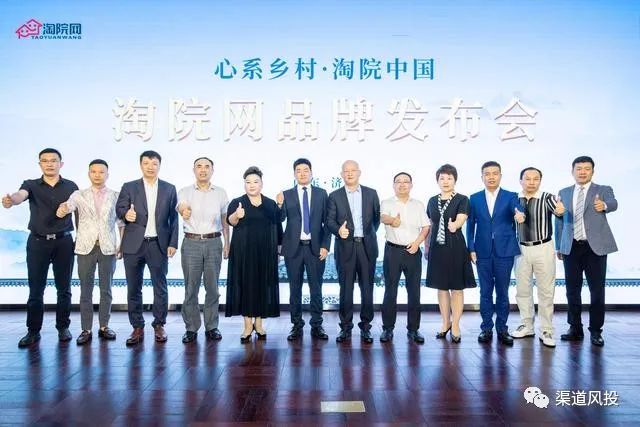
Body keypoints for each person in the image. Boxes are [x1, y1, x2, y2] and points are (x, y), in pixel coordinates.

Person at [2, 148, 78, 347]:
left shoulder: (71, 186)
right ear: (40, 164)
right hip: (37, 242)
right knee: (36, 289)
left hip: (63, 242)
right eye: (45, 161)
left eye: (53, 160)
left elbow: (79, 211)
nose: (49, 164)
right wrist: (11, 200)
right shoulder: (31, 185)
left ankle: (63, 327)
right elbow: (20, 195)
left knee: (64, 288)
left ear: (61, 164)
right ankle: (33, 331)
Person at [56, 159, 123, 345]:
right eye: (93, 171)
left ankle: (104, 326)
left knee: (106, 289)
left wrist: (122, 244)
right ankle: (86, 329)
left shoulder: (116, 196)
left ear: (107, 175)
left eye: (101, 172)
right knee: (86, 289)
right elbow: (68, 206)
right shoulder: (79, 195)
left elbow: (121, 223)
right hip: (85, 247)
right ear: (89, 174)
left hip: (108, 247)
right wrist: (63, 209)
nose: (97, 175)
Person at [116, 150, 179, 345]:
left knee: (160, 286)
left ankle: (159, 324)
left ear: (159, 165)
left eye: (154, 163)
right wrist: (126, 214)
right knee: (134, 287)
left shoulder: (169, 188)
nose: (150, 167)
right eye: (146, 163)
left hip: (158, 244)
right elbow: (120, 208)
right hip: (133, 244)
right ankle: (137, 326)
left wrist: (173, 243)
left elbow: (174, 218)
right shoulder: (129, 186)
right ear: (140, 165)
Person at [555, 156, 618, 347]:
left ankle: (596, 331)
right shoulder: (564, 192)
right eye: (579, 168)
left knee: (597, 290)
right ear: (572, 171)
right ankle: (575, 328)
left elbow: (614, 203)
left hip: (595, 248)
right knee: (572, 290)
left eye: (587, 169)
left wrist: (604, 206)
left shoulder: (603, 190)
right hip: (571, 247)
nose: (582, 172)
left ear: (592, 171)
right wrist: (559, 246)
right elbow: (559, 220)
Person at [276, 158, 331, 341]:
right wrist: (279, 205)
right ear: (294, 174)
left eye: (305, 170)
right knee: (295, 289)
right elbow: (279, 219)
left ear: (311, 173)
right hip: (293, 249)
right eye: (298, 170)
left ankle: (317, 325)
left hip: (315, 249)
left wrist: (325, 245)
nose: (302, 173)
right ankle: (296, 325)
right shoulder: (286, 194)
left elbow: (327, 223)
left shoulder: (322, 194)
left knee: (316, 288)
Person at [226, 166, 282, 343]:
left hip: (265, 252)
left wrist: (279, 250)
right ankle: (247, 325)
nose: (251, 185)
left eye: (255, 182)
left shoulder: (270, 203)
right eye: (248, 182)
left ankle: (259, 324)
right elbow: (230, 221)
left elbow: (278, 225)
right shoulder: (237, 202)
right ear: (244, 184)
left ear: (261, 184)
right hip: (243, 253)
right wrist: (237, 215)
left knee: (262, 286)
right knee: (246, 286)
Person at [467, 161, 520, 346]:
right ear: (482, 177)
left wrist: (520, 214)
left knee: (503, 292)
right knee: (485, 291)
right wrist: (471, 248)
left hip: (504, 250)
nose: (491, 177)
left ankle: (502, 328)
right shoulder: (474, 198)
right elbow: (470, 226)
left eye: (495, 173)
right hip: (482, 251)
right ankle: (486, 328)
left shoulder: (511, 196)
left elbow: (518, 210)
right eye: (487, 174)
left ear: (500, 176)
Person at [177, 157, 229, 344]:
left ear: (212, 170)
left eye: (207, 166)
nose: (203, 170)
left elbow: (225, 220)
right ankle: (191, 328)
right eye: (199, 166)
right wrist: (184, 211)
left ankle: (212, 326)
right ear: (194, 170)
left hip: (214, 242)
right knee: (191, 288)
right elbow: (181, 207)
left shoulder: (220, 193)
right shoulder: (185, 191)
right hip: (191, 243)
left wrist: (227, 243)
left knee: (212, 288)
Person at [327, 160, 380, 344]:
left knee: (367, 288)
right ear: (341, 175)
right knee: (345, 289)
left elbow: (375, 221)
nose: (349, 173)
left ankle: (366, 327)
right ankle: (345, 327)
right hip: (345, 247)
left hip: (366, 247)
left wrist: (366, 235)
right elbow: (329, 221)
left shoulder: (371, 193)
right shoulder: (334, 196)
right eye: (346, 171)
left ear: (359, 172)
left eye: (353, 170)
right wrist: (338, 231)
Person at [511, 167, 565, 348]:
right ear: (521, 181)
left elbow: (559, 211)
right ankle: (526, 325)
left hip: (543, 247)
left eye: (536, 179)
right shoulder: (514, 199)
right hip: (521, 248)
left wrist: (560, 210)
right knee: (522, 289)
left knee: (546, 291)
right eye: (527, 178)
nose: (531, 182)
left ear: (540, 181)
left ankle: (546, 330)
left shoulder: (547, 197)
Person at [425, 164, 475, 343]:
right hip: (437, 247)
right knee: (441, 287)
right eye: (442, 178)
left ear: (455, 180)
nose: (445, 181)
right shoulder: (432, 201)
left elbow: (462, 218)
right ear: (437, 180)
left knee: (457, 288)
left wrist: (455, 225)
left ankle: (456, 325)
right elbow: (430, 224)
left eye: (449, 178)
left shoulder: (462, 199)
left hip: (455, 247)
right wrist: (426, 246)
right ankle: (445, 322)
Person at [379, 172, 430, 343]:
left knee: (414, 292)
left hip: (413, 251)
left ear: (411, 185)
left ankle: (414, 329)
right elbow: (382, 217)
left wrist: (417, 243)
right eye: (398, 182)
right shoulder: (387, 202)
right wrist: (392, 220)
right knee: (390, 291)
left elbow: (426, 227)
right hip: (392, 251)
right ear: (393, 185)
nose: (402, 184)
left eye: (405, 182)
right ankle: (387, 329)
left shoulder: (418, 204)